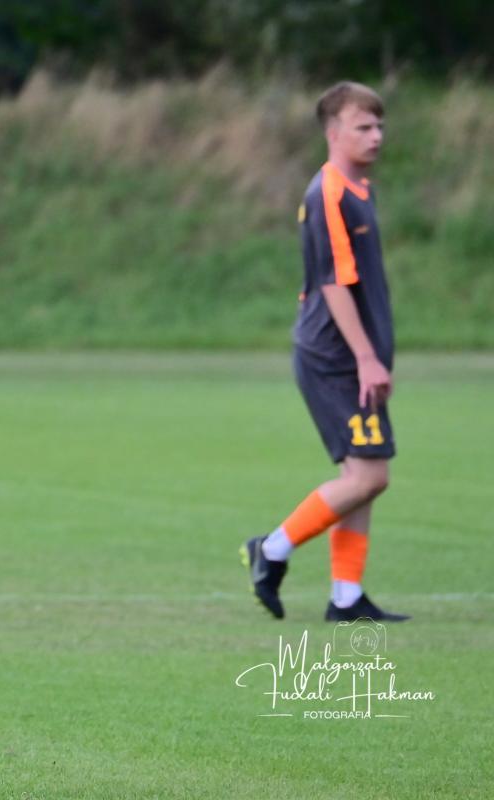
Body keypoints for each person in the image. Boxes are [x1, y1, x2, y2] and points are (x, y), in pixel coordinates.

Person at [242, 81, 409, 623]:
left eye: (379, 125)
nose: (376, 135)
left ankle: (346, 597)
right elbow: (334, 284)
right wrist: (365, 357)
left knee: (365, 472)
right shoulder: (328, 193)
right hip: (333, 357)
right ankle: (271, 549)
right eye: (364, 127)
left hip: (353, 355)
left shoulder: (361, 189)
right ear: (334, 133)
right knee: (369, 476)